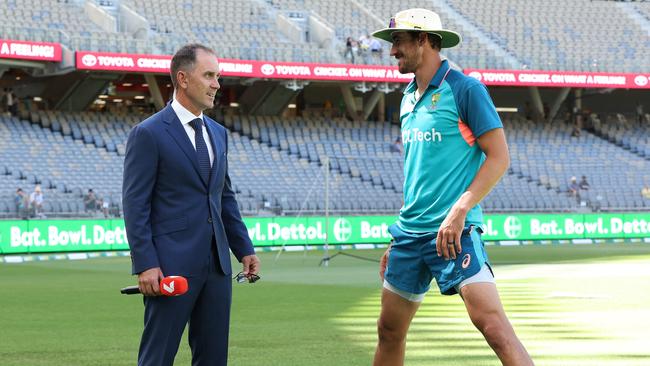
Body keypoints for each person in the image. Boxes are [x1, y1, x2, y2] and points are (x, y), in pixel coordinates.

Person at [371, 9, 533, 366]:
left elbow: (499, 157)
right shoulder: (408, 98)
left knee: (492, 326)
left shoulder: (465, 89)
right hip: (409, 236)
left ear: (425, 40)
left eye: (398, 41)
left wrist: (460, 210)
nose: (392, 50)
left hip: (454, 233)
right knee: (389, 331)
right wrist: (395, 238)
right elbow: (420, 175)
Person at [122, 43, 260, 366]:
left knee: (213, 359)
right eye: (209, 75)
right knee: (157, 358)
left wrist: (244, 249)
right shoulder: (148, 134)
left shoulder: (219, 133)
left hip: (217, 268)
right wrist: (145, 264)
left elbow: (223, 197)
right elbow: (134, 204)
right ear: (183, 79)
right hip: (170, 269)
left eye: (218, 76)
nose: (217, 84)